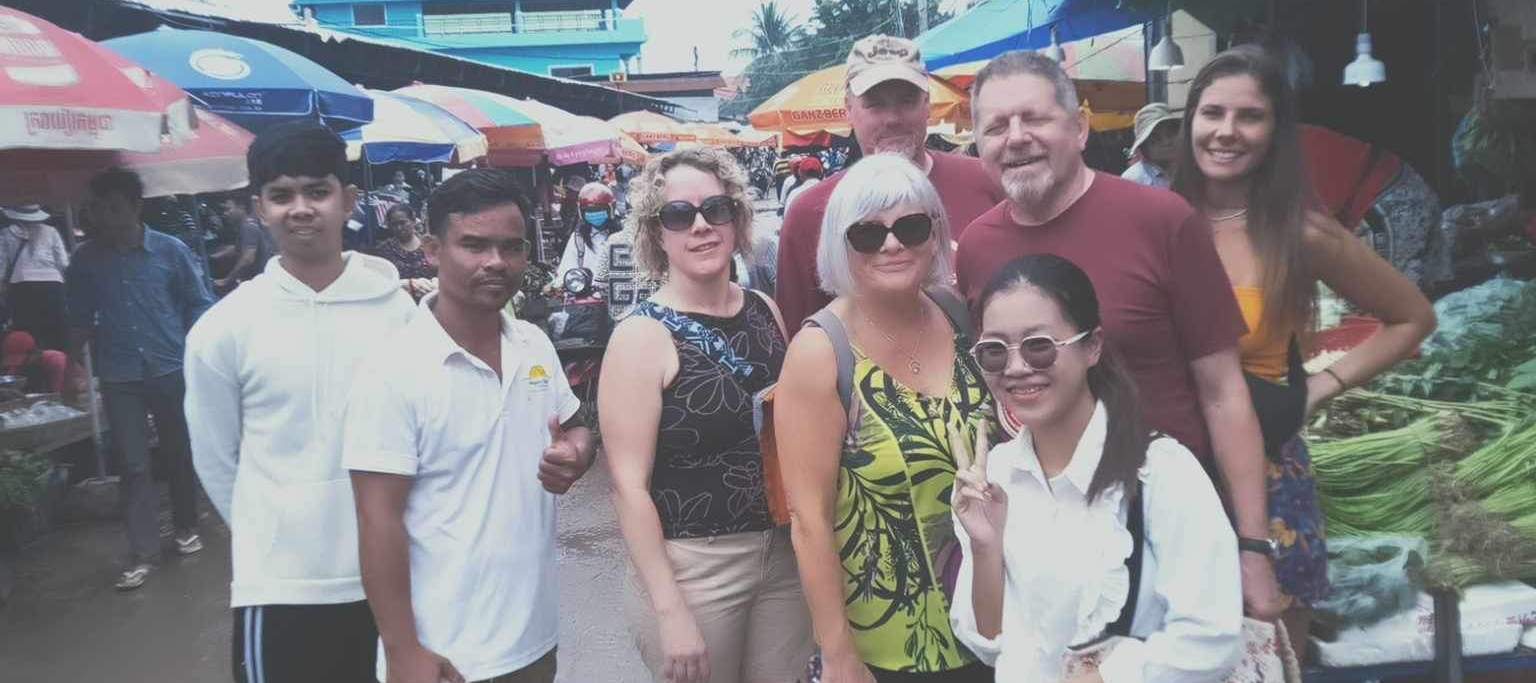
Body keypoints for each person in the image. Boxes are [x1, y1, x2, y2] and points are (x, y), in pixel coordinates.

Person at [953, 50, 1283, 621]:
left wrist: (1252, 544)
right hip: (1047, 539)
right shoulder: (978, 246)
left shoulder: (1163, 220)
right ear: (978, 143)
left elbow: (1223, 391)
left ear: (1079, 127)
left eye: (1034, 118)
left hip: (1163, 526)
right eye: (996, 126)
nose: (1016, 137)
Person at [1169, 45, 1436, 654]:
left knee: (1271, 657)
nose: (1227, 132)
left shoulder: (1301, 232)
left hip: (1269, 479)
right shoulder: (1156, 220)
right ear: (1190, 123)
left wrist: (1322, 386)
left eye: (1250, 116)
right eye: (1212, 113)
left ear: (1276, 132)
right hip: (1169, 475)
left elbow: (1412, 318)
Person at [185, 122, 417, 683]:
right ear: (259, 208)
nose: (301, 209)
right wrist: (274, 531)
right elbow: (216, 459)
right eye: (281, 195)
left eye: (317, 191)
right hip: (280, 586)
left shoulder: (401, 316)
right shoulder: (224, 330)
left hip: (394, 577)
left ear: (349, 201)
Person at [345, 168, 597, 683]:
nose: (496, 262)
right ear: (433, 250)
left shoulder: (533, 344)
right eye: (474, 245)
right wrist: (403, 650)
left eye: (511, 247)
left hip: (534, 639)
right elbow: (377, 520)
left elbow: (578, 427)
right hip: (444, 656)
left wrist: (576, 454)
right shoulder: (391, 369)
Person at [949, 253, 1242, 681]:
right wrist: (985, 548)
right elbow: (990, 641)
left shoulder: (1160, 471)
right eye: (994, 352)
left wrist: (1107, 676)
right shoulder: (993, 476)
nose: (1016, 368)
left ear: (1092, 346)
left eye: (1039, 346)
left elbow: (1212, 635)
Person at [776, 154, 992, 683]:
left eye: (911, 227)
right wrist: (838, 654)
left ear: (936, 235)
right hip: (891, 646)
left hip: (991, 626)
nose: (892, 245)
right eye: (868, 234)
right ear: (840, 245)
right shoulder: (820, 352)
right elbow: (809, 520)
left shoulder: (958, 316)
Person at [599, 148, 812, 683]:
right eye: (678, 214)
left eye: (716, 209)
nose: (700, 226)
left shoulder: (764, 309)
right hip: (694, 567)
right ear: (656, 232)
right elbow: (628, 486)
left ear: (737, 218)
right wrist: (670, 611)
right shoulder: (640, 337)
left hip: (783, 554)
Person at [776, 35, 1006, 331]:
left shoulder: (987, 182)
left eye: (906, 101)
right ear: (848, 109)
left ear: (927, 105)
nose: (893, 118)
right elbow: (799, 335)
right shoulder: (810, 212)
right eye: (875, 104)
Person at [66, 168, 214, 590]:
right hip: (119, 374)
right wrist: (73, 367)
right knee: (132, 464)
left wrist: (195, 350)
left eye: (115, 208)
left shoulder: (170, 251)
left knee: (178, 452)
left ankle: (186, 526)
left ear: (136, 207)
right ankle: (143, 553)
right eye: (99, 209)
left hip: (170, 366)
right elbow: (79, 318)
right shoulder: (85, 261)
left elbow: (199, 303)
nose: (107, 218)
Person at [0, 204, 71, 350]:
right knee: (55, 332)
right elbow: (63, 263)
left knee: (28, 334)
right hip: (53, 286)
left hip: (22, 285)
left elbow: (1, 266)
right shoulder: (51, 231)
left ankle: (33, 362)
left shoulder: (6, 233)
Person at [554, 182, 621, 290]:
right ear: (582, 212)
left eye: (599, 210)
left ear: (611, 209)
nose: (595, 214)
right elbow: (566, 272)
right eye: (589, 211)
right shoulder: (578, 239)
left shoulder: (623, 237)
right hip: (587, 293)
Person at [211, 196, 277, 292]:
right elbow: (237, 248)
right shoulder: (246, 226)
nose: (225, 214)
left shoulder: (248, 228)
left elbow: (247, 259)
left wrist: (227, 280)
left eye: (228, 209)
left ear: (241, 208)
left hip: (259, 284)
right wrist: (214, 256)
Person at [1121, 103, 1182, 189]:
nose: (1167, 142)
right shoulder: (1132, 179)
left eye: (1170, 133)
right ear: (1144, 147)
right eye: (1156, 139)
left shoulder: (1191, 169)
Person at [369, 203, 436, 280]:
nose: (399, 228)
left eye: (402, 223)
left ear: (413, 221)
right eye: (394, 224)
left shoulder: (428, 245)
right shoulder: (384, 250)